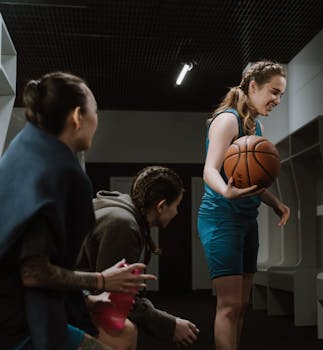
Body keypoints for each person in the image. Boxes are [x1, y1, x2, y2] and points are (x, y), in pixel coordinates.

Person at [0, 72, 154, 350]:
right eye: (95, 111)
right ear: (77, 117)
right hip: (14, 325)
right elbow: (33, 272)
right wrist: (102, 280)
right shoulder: (56, 173)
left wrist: (85, 298)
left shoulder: (23, 151)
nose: (97, 120)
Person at [197, 60, 290, 350]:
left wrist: (275, 203)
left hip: (247, 220)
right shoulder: (227, 120)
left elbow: (249, 179)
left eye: (281, 95)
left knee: (242, 305)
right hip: (221, 218)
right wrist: (226, 191)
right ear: (253, 86)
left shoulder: (254, 124)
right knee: (229, 305)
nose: (277, 100)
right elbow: (209, 170)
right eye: (273, 92)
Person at [76, 166, 200, 348]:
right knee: (124, 333)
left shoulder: (123, 214)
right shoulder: (123, 225)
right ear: (161, 206)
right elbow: (114, 298)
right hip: (63, 299)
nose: (176, 212)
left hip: (74, 294)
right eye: (176, 205)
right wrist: (169, 325)